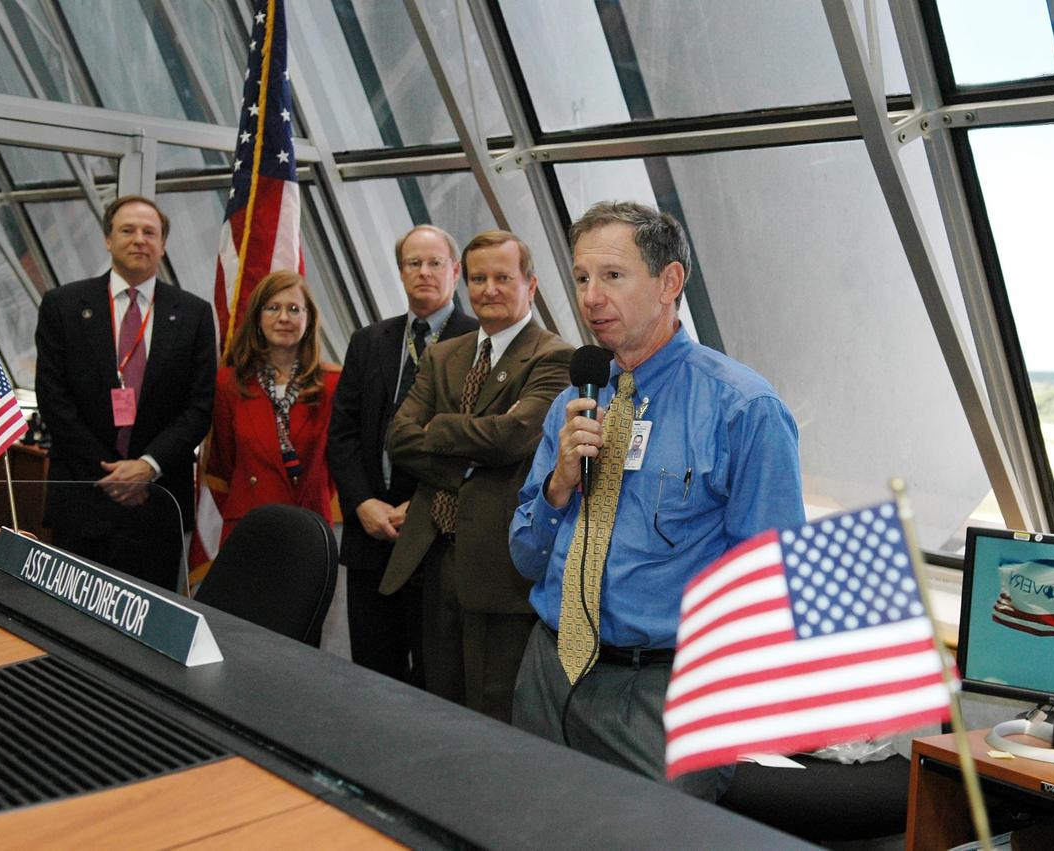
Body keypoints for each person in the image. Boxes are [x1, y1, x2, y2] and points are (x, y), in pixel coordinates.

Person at [508, 201, 805, 800]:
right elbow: (524, 556)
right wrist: (558, 486)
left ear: (669, 282)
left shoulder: (742, 409)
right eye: (582, 277)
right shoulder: (576, 399)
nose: (591, 297)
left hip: (660, 694)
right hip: (548, 669)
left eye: (612, 276)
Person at [383, 230, 572, 721]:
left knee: (496, 711)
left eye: (502, 278)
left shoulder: (553, 357)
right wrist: (473, 456)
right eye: (478, 278)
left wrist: (440, 428)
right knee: (439, 707)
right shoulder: (444, 354)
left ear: (531, 285)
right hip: (435, 555)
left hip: (499, 566)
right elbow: (399, 438)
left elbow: (513, 438)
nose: (489, 289)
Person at [35, 195, 216, 589]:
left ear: (163, 245)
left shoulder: (195, 314)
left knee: (148, 618)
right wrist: (113, 475)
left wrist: (147, 467)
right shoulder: (63, 305)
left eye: (150, 232)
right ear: (108, 239)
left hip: (157, 502)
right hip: (83, 497)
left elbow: (200, 407)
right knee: (69, 614)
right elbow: (53, 399)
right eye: (127, 230)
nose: (139, 240)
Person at [327, 225, 477, 682]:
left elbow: (477, 445)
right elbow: (343, 435)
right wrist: (361, 503)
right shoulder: (369, 340)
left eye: (435, 263)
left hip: (438, 538)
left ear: (455, 271)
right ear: (400, 271)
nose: (424, 272)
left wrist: (425, 506)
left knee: (437, 678)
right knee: (371, 677)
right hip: (370, 535)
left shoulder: (480, 341)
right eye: (414, 263)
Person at [206, 271, 339, 547]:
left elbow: (338, 467)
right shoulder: (229, 383)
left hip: (309, 526)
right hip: (249, 526)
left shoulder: (333, 384)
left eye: (294, 309)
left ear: (309, 318)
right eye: (273, 308)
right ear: (257, 318)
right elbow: (223, 461)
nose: (284, 318)